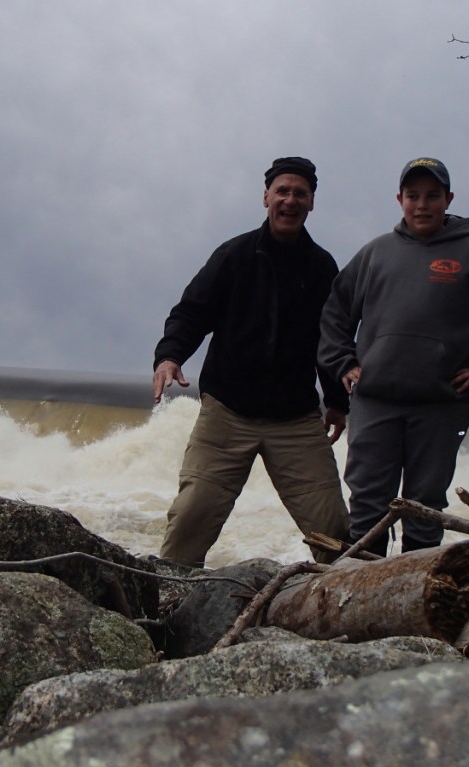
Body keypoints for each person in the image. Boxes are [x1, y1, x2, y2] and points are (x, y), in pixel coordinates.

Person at [318, 157, 469, 556]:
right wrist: (343, 363)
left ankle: (418, 591)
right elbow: (334, 313)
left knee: (425, 506)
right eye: (413, 196)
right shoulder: (375, 253)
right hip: (375, 399)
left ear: (448, 199)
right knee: (367, 503)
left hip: (441, 405)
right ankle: (360, 590)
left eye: (432, 196)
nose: (422, 205)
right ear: (399, 199)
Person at [152, 156, 350, 568]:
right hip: (227, 412)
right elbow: (191, 313)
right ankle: (167, 599)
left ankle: (339, 607)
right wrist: (169, 356)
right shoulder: (235, 255)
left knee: (334, 530)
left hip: (295, 421)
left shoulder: (322, 267)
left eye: (300, 193)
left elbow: (330, 340)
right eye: (283, 191)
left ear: (312, 202)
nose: (290, 200)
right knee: (191, 516)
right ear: (266, 197)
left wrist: (336, 401)